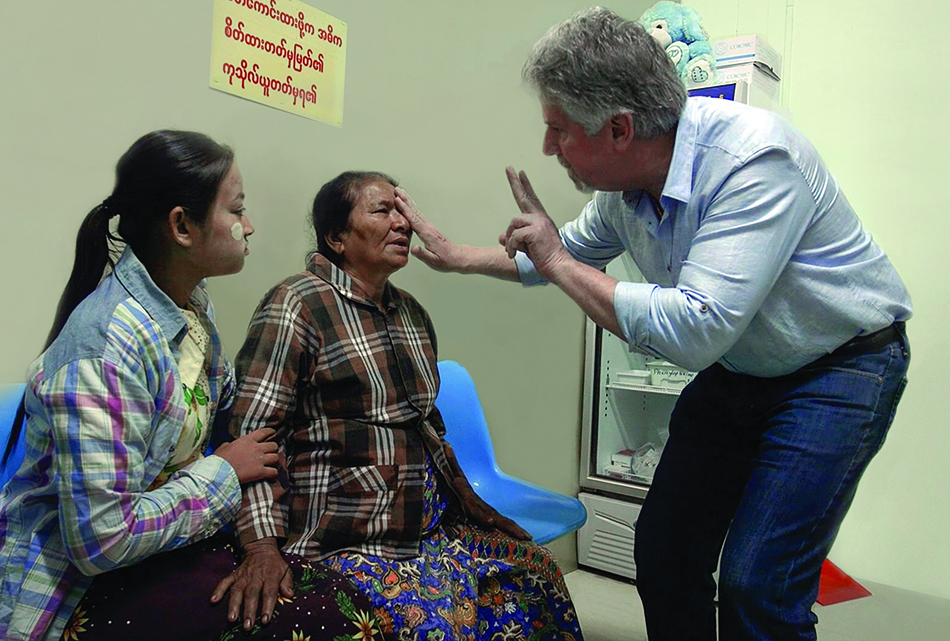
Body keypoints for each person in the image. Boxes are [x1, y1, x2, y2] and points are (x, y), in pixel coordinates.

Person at [401, 7, 912, 641]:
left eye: (558, 129)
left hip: (840, 368)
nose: (548, 147)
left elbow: (695, 327)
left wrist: (557, 259)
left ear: (619, 129)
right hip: (744, 367)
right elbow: (555, 257)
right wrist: (457, 258)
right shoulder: (624, 190)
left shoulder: (754, 161)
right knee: (666, 546)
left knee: (759, 582)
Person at [0, 131, 379, 641]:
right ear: (182, 226)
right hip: (76, 585)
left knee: (337, 595)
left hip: (168, 543)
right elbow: (101, 540)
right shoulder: (106, 349)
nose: (250, 227)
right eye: (237, 210)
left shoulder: (190, 308)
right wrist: (223, 472)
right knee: (322, 623)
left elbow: (224, 409)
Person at [212, 171, 584, 640]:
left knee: (537, 573)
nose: (402, 224)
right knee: (433, 625)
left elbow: (429, 427)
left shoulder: (410, 313)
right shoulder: (296, 305)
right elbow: (253, 439)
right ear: (336, 237)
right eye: (382, 211)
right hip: (352, 537)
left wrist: (470, 500)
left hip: (430, 524)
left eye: (402, 210)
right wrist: (261, 548)